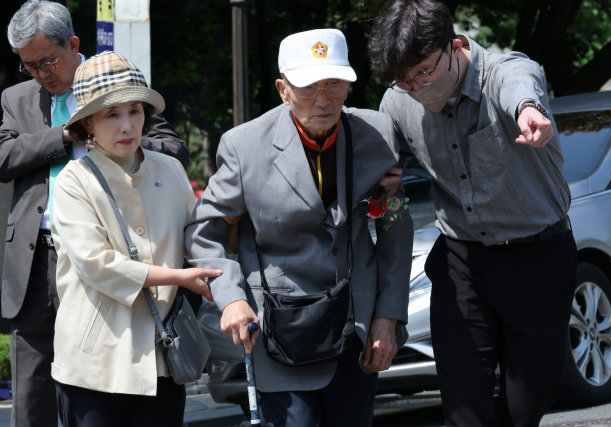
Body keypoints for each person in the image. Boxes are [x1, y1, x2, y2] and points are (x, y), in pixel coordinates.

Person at [186, 29, 413, 427]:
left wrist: (388, 317)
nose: (323, 100)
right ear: (283, 89)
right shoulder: (245, 146)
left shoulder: (376, 133)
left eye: (334, 85)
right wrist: (231, 297)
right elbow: (204, 231)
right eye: (308, 88)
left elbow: (395, 224)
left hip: (356, 324)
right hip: (280, 327)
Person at [368, 1, 578, 426]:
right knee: (464, 407)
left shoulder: (504, 72)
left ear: (456, 46)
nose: (418, 87)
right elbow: (378, 166)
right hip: (462, 261)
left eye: (425, 72)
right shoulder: (398, 102)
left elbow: (520, 84)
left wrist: (528, 112)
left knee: (524, 407)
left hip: (538, 255)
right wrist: (380, 182)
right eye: (404, 80)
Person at [0, 2, 189, 426]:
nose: (41, 74)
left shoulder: (118, 85)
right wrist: (64, 137)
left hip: (112, 251)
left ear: (73, 43)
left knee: (103, 377)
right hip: (38, 257)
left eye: (48, 61)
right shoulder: (16, 98)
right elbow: (3, 157)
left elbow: (172, 148)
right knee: (32, 396)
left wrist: (109, 135)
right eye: (29, 67)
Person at [49, 51, 218, 427]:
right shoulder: (74, 180)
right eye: (111, 114)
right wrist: (178, 278)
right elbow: (96, 264)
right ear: (88, 123)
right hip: (95, 362)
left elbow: (198, 238)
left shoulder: (171, 169)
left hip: (163, 357)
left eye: (135, 111)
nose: (127, 125)